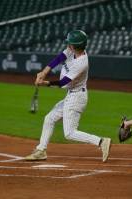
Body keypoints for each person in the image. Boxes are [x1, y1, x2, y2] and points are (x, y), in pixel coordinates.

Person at [25, 30, 111, 162]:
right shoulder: (73, 50)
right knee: (49, 118)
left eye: (69, 43)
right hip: (71, 95)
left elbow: (62, 82)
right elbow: (59, 58)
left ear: (74, 46)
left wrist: (44, 83)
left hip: (76, 98)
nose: (68, 45)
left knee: (69, 133)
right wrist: (44, 72)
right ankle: (41, 151)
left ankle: (101, 141)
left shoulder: (82, 63)